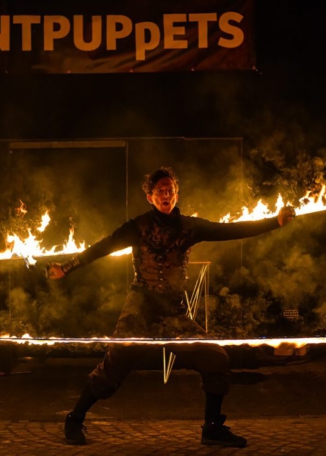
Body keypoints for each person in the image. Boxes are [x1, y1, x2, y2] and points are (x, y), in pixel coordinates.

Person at [47, 167, 295, 447]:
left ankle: (212, 429)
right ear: (150, 196)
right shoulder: (137, 227)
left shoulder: (191, 227)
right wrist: (67, 268)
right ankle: (74, 419)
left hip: (172, 313)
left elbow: (231, 230)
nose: (166, 195)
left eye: (170, 190)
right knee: (113, 367)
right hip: (140, 307)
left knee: (216, 359)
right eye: (160, 191)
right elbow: (102, 247)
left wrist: (274, 222)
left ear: (176, 194)